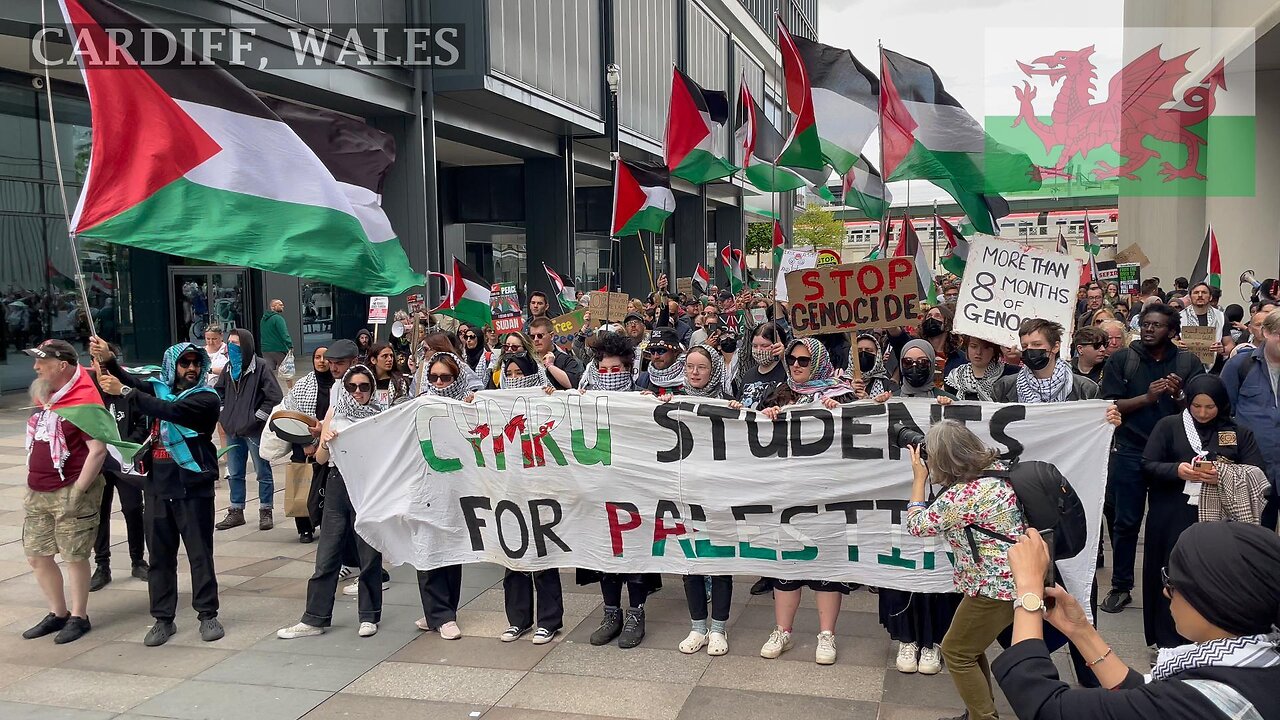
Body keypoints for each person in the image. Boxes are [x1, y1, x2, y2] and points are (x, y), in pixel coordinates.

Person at [994, 523, 1280, 720]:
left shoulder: (1198, 705)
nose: (1165, 591)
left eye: (1172, 580)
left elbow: (1045, 706)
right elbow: (1142, 693)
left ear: (1210, 600)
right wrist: (1081, 631)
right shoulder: (1261, 662)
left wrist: (1028, 593)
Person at [93, 337, 225, 646]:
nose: (191, 368)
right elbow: (132, 381)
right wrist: (108, 358)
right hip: (157, 487)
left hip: (193, 487)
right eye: (185, 363)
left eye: (196, 363)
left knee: (200, 555)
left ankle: (208, 614)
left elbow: (168, 410)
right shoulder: (160, 388)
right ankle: (163, 619)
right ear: (173, 366)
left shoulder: (206, 398)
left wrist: (125, 393)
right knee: (160, 558)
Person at [906, 420, 1026, 720]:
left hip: (995, 587)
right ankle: (978, 712)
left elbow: (917, 526)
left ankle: (984, 717)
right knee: (968, 649)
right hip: (1010, 578)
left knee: (956, 652)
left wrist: (919, 478)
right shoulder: (996, 472)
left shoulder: (963, 495)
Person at [1141, 375, 1267, 650]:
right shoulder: (1170, 426)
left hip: (1219, 518)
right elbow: (1148, 464)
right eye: (1196, 406)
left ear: (1221, 405)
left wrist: (1223, 474)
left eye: (1209, 407)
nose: (1202, 413)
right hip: (1172, 513)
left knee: (1212, 575)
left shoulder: (1237, 432)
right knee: (1170, 573)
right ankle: (1167, 640)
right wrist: (1177, 470)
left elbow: (1258, 473)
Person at [756, 338, 860, 666]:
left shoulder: (839, 395)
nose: (797, 365)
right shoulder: (776, 393)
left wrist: (842, 412)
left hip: (827, 495)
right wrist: (767, 415)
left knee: (826, 566)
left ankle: (826, 635)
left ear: (817, 361)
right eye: (792, 359)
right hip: (786, 495)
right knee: (786, 565)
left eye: (804, 360)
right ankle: (782, 630)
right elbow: (751, 434)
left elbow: (861, 434)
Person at [1099, 304, 1204, 614]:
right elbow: (1109, 404)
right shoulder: (1124, 359)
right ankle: (1121, 586)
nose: (1148, 329)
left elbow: (1201, 407)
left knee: (1172, 522)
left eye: (1156, 325)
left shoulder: (1187, 361)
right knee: (1125, 522)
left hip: (1172, 456)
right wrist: (1146, 398)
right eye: (1145, 323)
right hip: (1130, 450)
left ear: (1172, 332)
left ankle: (1173, 584)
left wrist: (1179, 397)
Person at [277, 365, 386, 640]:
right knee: (327, 553)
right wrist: (325, 441)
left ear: (372, 388)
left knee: (369, 553)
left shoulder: (382, 417)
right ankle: (315, 618)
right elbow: (322, 460)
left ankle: (369, 615)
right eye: (352, 387)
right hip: (338, 483)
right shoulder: (336, 414)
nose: (358, 392)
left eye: (364, 387)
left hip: (368, 485)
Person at [21, 340, 107, 644]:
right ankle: (57, 613)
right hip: (39, 489)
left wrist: (78, 490)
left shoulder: (82, 399)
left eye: (42, 361)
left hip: (70, 489)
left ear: (62, 365)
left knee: (74, 555)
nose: (36, 367)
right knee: (37, 555)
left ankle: (79, 616)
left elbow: (97, 450)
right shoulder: (47, 396)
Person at [657, 345, 733, 656]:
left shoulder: (728, 401)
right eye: (689, 366)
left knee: (720, 560)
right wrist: (658, 405)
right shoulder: (674, 399)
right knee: (690, 561)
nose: (694, 372)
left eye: (701, 367)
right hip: (684, 492)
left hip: (718, 493)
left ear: (713, 368)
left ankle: (718, 629)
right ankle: (697, 626)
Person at [414, 352, 468, 639]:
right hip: (425, 487)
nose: (438, 382)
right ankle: (439, 613)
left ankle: (446, 610)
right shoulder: (417, 406)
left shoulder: (468, 405)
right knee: (427, 547)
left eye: (445, 377)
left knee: (451, 549)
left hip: (456, 489)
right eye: (433, 377)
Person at [89, 355, 150, 590]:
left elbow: (142, 423)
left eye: (104, 361)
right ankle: (102, 565)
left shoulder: (126, 389)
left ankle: (138, 559)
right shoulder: (90, 393)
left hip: (125, 461)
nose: (101, 366)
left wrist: (127, 448)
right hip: (100, 464)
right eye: (96, 362)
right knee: (99, 513)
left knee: (133, 509)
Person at [215, 328, 283, 532]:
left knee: (263, 471)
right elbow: (219, 392)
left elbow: (274, 397)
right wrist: (223, 413)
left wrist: (256, 418)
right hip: (233, 428)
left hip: (254, 430)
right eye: (230, 343)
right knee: (235, 472)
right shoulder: (229, 368)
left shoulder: (261, 367)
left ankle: (266, 510)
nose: (232, 348)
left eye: (236, 343)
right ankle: (236, 510)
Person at [1223, 308, 1280, 530]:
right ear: (1266, 333)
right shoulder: (1240, 366)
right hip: (1254, 467)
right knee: (1256, 534)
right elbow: (1224, 415)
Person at [279, 346, 337, 544]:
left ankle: (325, 523)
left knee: (325, 486)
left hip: (329, 443)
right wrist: (306, 442)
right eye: (317, 357)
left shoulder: (339, 386)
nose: (321, 361)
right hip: (302, 443)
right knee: (302, 484)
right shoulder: (303, 385)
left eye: (325, 357)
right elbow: (291, 413)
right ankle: (305, 528)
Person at [993, 319, 1099, 403]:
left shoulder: (1086, 389)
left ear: (1055, 347)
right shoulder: (1004, 387)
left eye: (1037, 344)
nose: (1029, 349)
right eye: (1025, 346)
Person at [944, 336, 1015, 401]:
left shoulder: (1011, 374)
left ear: (994, 351)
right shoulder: (955, 377)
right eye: (973, 346)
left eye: (986, 348)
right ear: (967, 348)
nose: (978, 352)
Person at [737, 323, 787, 410]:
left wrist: (785, 359)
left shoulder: (788, 371)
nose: (758, 350)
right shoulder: (749, 374)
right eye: (755, 346)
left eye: (764, 346)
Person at [1179, 281, 1226, 369]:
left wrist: (1222, 349)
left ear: (1210, 297)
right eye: (1196, 293)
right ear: (1190, 297)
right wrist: (1177, 346)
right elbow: (1169, 342)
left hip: (1215, 369)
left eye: (1204, 292)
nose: (1200, 295)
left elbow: (1230, 344)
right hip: (1186, 368)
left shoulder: (1221, 317)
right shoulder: (1179, 317)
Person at [528, 317, 582, 390]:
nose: (536, 340)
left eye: (540, 336)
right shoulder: (528, 361)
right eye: (532, 337)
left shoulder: (566, 360)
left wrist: (550, 366)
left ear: (551, 336)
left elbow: (572, 384)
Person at [635, 327, 687, 397]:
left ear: (675, 352)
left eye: (661, 351)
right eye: (652, 351)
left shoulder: (689, 378)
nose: (656, 356)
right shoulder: (643, 379)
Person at [367, 341, 410, 406]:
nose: (389, 359)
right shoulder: (365, 381)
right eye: (385, 356)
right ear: (373, 360)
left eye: (391, 356)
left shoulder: (399, 382)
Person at [259, 298, 293, 370]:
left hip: (266, 349)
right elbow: (284, 333)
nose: (282, 306)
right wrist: (290, 345)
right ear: (273, 307)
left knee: (269, 373)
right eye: (280, 305)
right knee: (287, 372)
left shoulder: (263, 319)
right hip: (278, 348)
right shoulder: (278, 318)